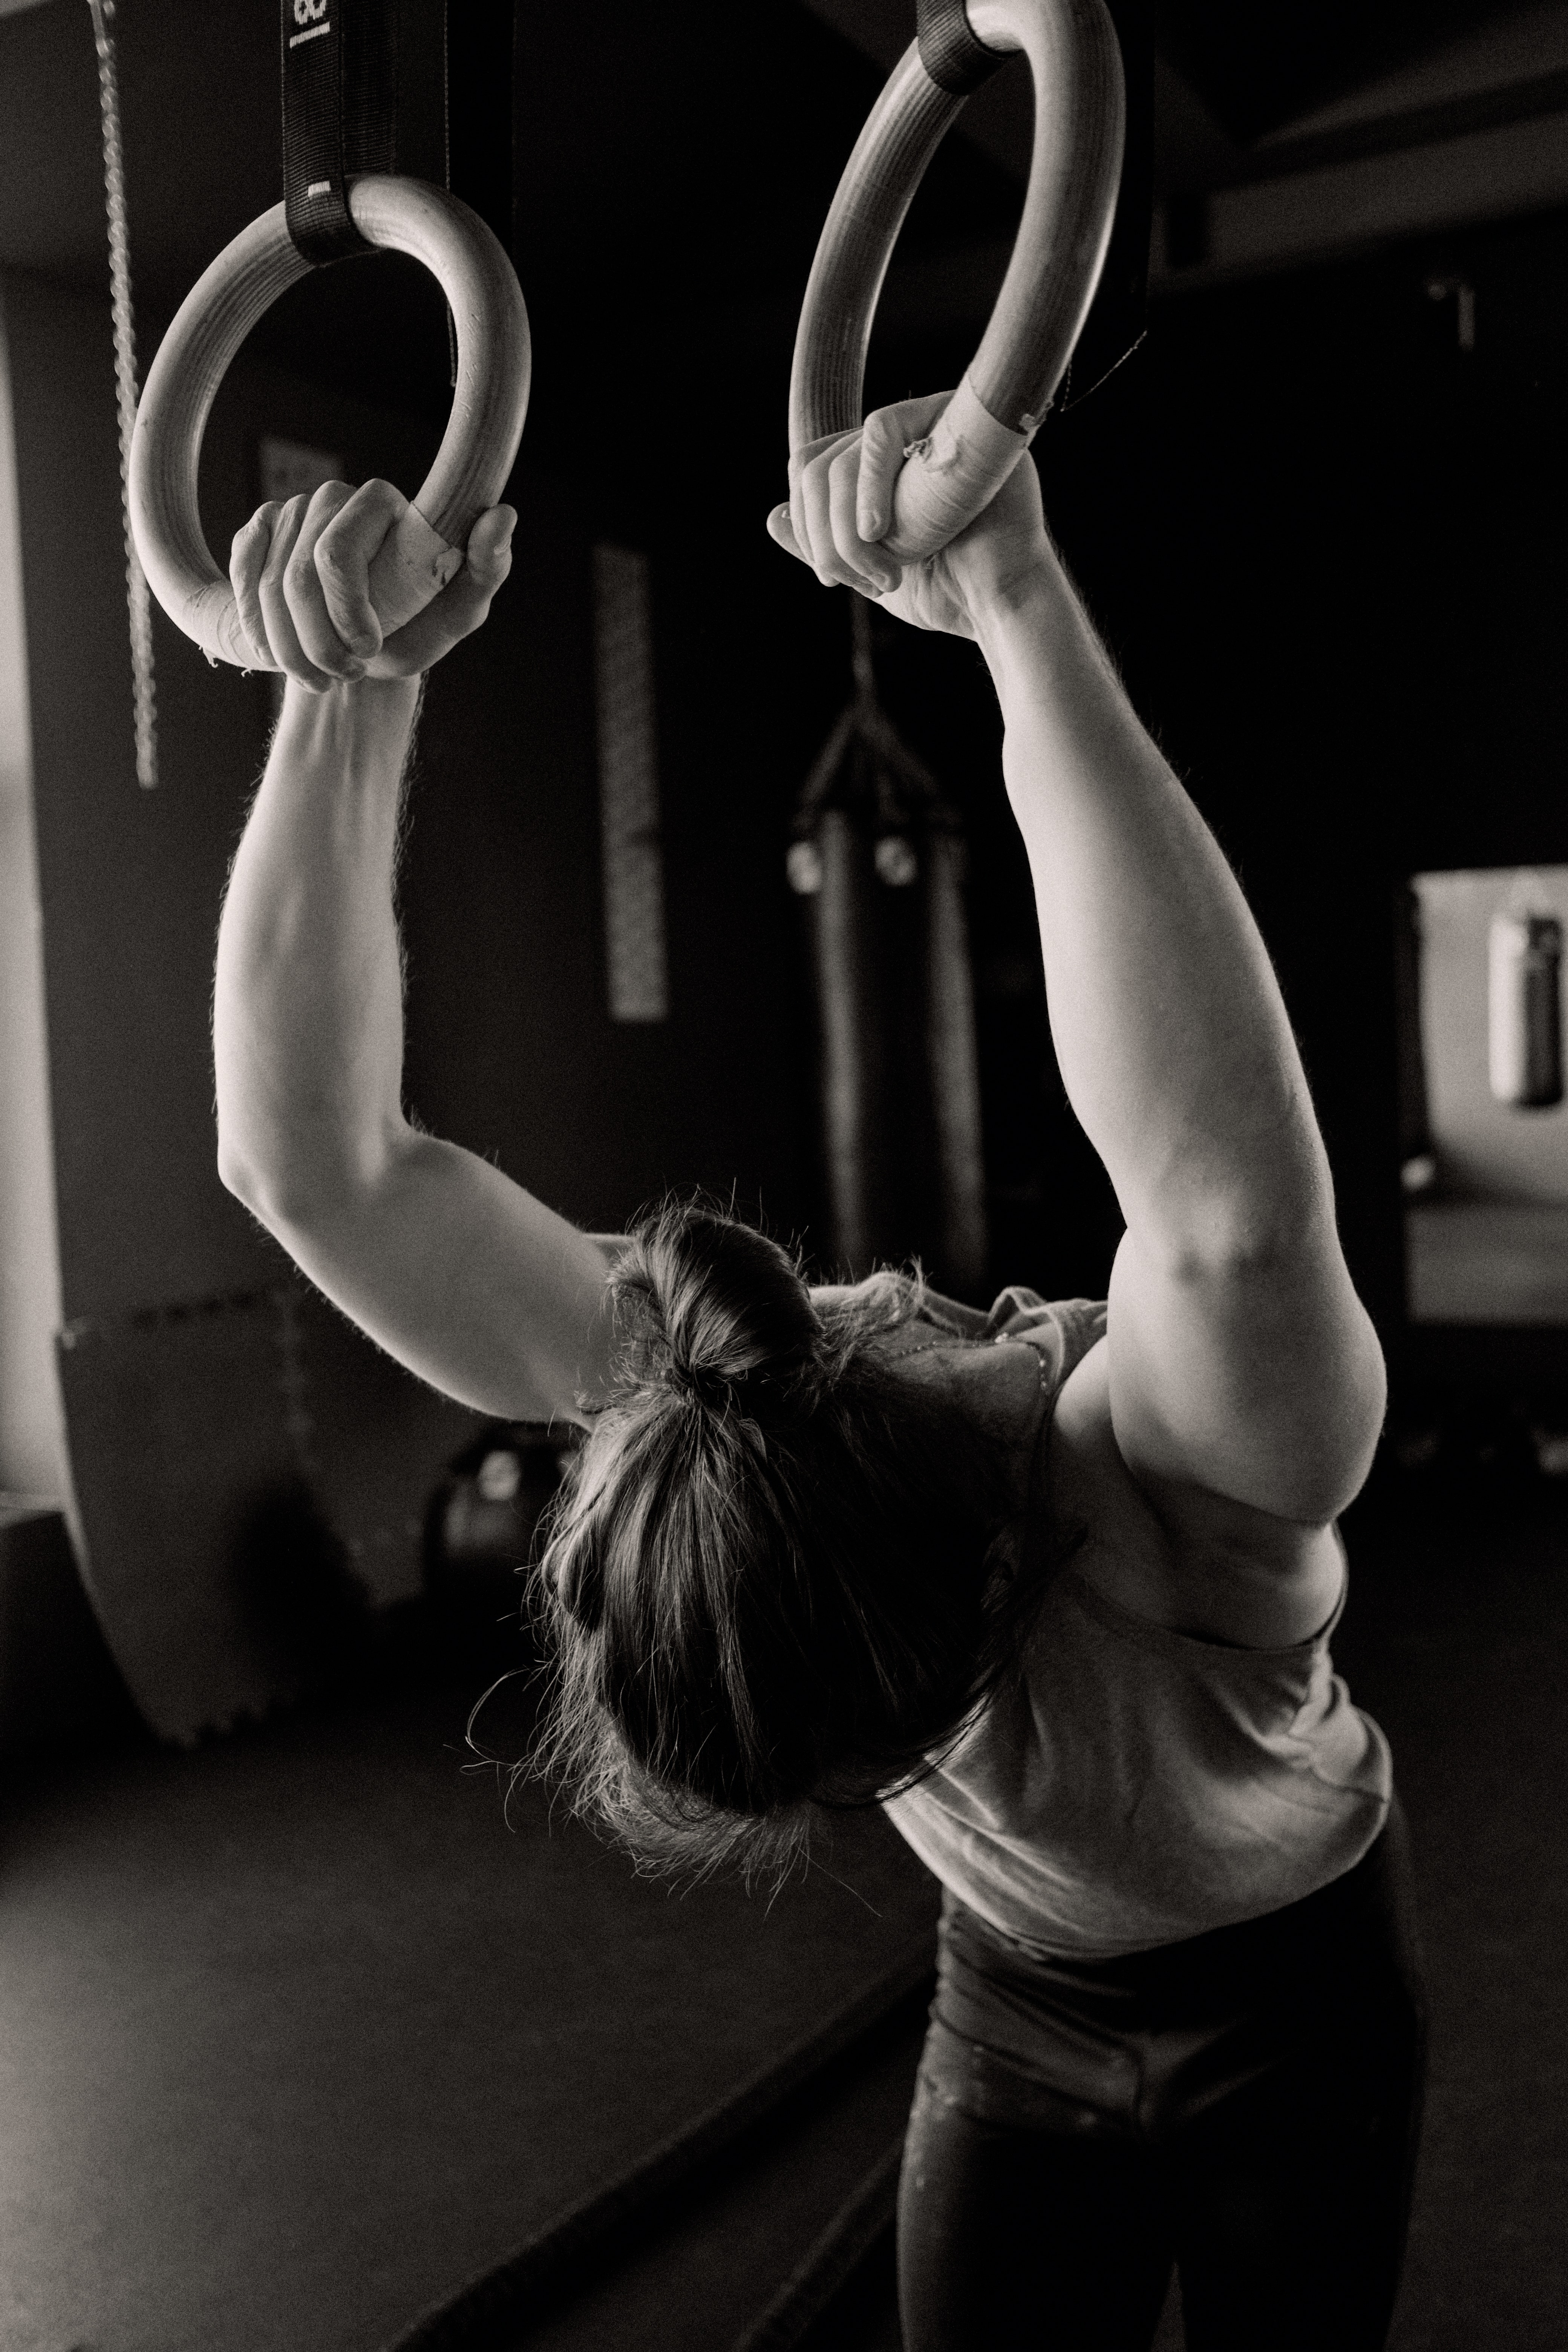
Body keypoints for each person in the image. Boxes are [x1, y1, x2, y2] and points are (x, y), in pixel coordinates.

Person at [213, 394, 1425, 2352]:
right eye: (841, 1310)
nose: (841, 1286)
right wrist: (1013, 596)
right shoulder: (1184, 1497)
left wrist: (340, 693)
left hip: (1183, 1992)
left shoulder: (740, 1454)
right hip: (1140, 1995)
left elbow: (316, 1168)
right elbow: (1221, 1208)